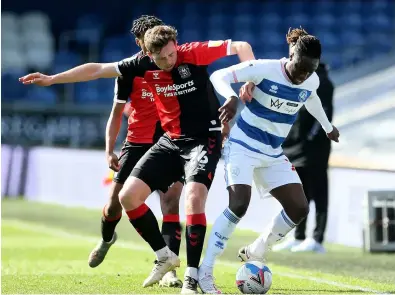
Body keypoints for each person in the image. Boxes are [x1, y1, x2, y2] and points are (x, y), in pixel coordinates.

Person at [19, 25, 254, 293]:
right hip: (170, 140)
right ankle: (164, 255)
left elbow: (240, 46)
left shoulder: (192, 53)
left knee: (191, 198)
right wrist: (51, 79)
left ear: (176, 43)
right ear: (147, 54)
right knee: (126, 197)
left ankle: (192, 276)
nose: (168, 61)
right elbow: (96, 69)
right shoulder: (137, 65)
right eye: (161, 58)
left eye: (171, 54)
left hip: (204, 138)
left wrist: (250, 79)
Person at [198, 30, 340, 293]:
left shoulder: (311, 82)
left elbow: (312, 99)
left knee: (299, 208)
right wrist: (229, 97)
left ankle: (256, 250)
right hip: (242, 145)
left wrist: (327, 126)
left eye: (310, 71)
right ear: (290, 55)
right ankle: (204, 272)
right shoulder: (263, 68)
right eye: (300, 68)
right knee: (239, 204)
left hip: (273, 153)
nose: (303, 75)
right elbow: (219, 75)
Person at [87, 15, 184, 287]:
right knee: (115, 203)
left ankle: (169, 268)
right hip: (137, 142)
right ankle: (107, 239)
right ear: (139, 42)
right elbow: (117, 113)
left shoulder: (174, 61)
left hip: (169, 141)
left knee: (171, 200)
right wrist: (109, 150)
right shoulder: (129, 70)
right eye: (145, 42)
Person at [272, 27, 334, 254]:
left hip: (314, 148)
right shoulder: (291, 74)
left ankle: (317, 239)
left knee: (319, 191)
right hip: (295, 146)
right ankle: (298, 236)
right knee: (301, 192)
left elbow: (323, 115)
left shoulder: (322, 81)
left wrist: (308, 139)